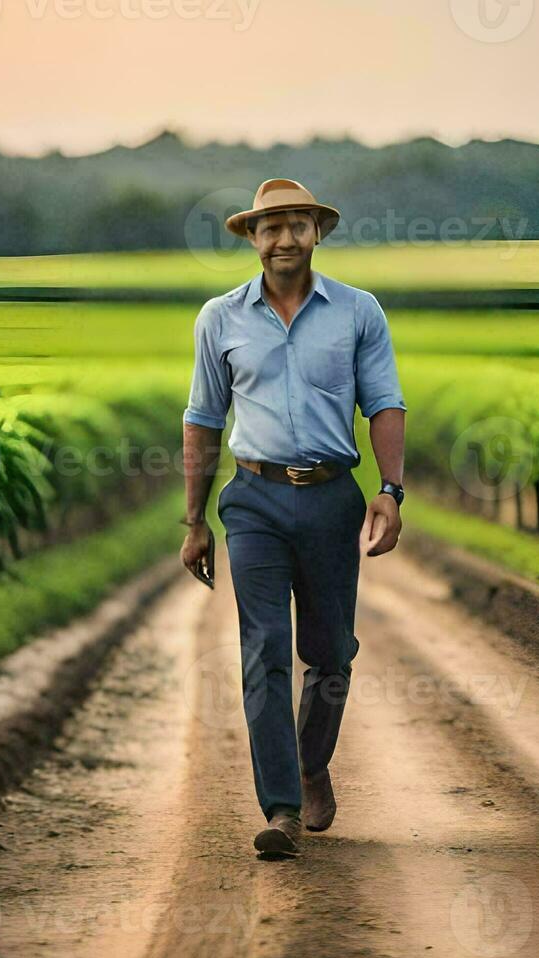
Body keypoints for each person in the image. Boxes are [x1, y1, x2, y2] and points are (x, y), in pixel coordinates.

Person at [180, 178, 408, 860]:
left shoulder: (358, 312)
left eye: (297, 224)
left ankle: (312, 764)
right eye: (270, 226)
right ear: (253, 238)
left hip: (333, 498)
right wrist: (194, 521)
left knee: (331, 652)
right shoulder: (219, 318)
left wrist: (390, 489)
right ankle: (279, 807)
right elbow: (202, 419)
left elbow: (386, 404)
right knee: (264, 651)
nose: (284, 238)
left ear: (318, 232)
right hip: (255, 501)